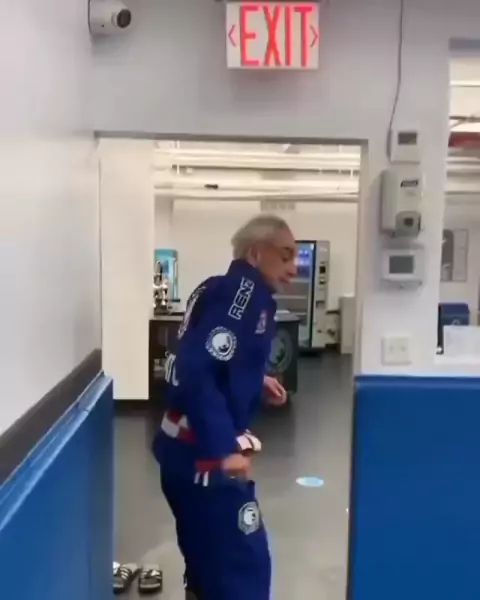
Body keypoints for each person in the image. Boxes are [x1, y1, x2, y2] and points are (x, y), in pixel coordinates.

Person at [152, 214, 297, 600]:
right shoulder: (241, 296)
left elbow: (214, 356)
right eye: (285, 256)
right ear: (256, 253)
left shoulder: (220, 287)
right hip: (203, 457)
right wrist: (224, 449)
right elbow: (196, 369)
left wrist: (256, 381)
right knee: (243, 564)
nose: (294, 268)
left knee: (205, 557)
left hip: (180, 449)